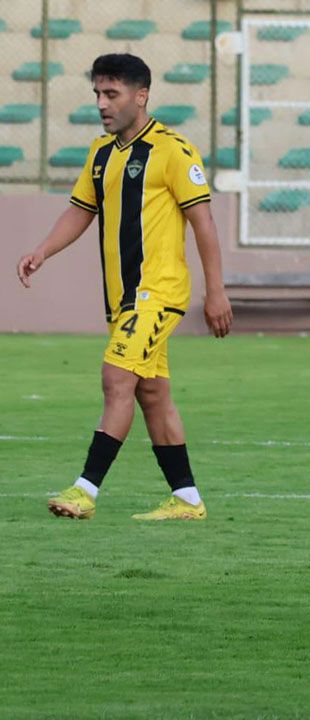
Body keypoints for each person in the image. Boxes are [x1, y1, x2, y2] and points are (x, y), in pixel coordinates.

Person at [16, 53, 232, 521]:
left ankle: (84, 491)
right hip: (123, 298)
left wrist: (216, 291)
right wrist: (43, 251)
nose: (101, 103)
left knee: (116, 378)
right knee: (151, 394)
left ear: (141, 95)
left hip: (158, 292)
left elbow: (204, 222)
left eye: (111, 94)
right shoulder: (101, 153)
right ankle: (187, 498)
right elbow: (80, 210)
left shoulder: (173, 150)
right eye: (97, 93)